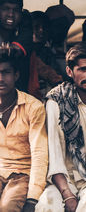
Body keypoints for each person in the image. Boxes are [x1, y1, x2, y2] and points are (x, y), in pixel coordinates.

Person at [35, 42, 86, 212]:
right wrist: (67, 194)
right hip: (65, 180)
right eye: (82, 69)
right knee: (46, 204)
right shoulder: (57, 102)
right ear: (70, 72)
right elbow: (55, 156)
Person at [0, 43, 48, 212]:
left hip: (23, 174)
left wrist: (33, 197)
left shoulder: (33, 107)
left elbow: (39, 153)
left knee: (7, 207)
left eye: (5, 72)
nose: (0, 78)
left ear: (16, 75)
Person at [0, 0, 33, 92]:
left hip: (19, 97)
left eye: (16, 10)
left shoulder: (25, 31)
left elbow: (14, 51)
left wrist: (8, 50)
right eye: (6, 8)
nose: (11, 14)